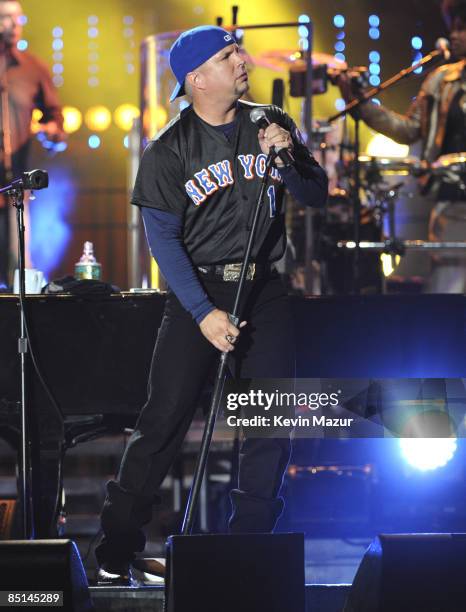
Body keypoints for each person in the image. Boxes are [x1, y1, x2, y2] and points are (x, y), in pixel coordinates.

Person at [96, 25, 327, 585]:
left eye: (239, 52)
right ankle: (115, 550)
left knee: (269, 421)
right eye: (229, 56)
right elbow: (164, 244)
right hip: (197, 292)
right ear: (197, 79)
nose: (242, 61)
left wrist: (291, 156)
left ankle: (249, 548)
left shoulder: (270, 121)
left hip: (263, 290)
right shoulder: (169, 150)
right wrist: (203, 314)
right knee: (164, 419)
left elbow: (316, 194)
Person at [336, 0, 466, 293]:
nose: (454, 35)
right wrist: (362, 105)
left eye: (463, 28)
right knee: (450, 293)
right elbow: (408, 130)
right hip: (454, 205)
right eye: (454, 27)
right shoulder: (441, 81)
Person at [0, 0, 64, 287]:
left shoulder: (33, 68)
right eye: (5, 18)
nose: (14, 25)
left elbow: (56, 119)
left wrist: (50, 131)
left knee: (19, 269)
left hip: (16, 188)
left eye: (18, 19)